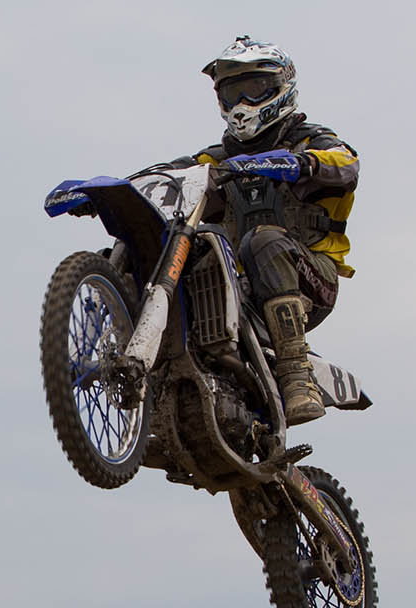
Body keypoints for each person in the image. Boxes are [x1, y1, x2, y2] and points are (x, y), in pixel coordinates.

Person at [167, 36, 360, 426]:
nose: (242, 103)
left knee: (263, 239)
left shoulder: (312, 141)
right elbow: (175, 176)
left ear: (281, 88)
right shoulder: (216, 158)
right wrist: (116, 193)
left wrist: (301, 164)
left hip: (312, 279)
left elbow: (347, 164)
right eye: (232, 92)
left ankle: (296, 376)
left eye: (254, 89)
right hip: (241, 286)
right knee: (183, 244)